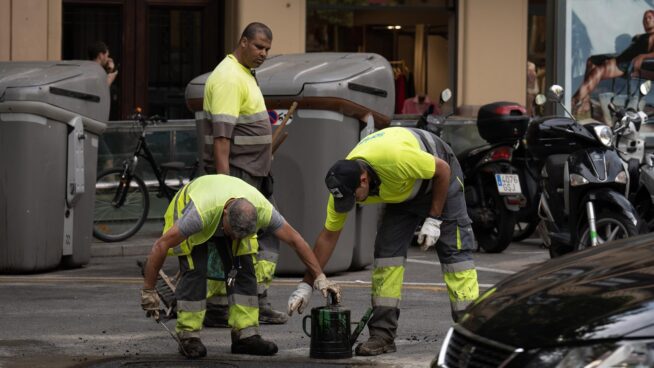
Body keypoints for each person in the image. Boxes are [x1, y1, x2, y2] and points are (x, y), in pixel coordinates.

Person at [287, 127, 479, 356]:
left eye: (354, 196)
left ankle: (473, 335)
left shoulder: (396, 159)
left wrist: (434, 219)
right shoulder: (343, 185)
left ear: (364, 179)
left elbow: (443, 170)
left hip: (439, 178)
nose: (353, 202)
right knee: (387, 256)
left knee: (456, 258)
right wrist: (307, 284)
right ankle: (382, 336)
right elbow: (328, 237)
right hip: (403, 189)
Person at [140, 174, 341, 358]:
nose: (234, 239)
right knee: (196, 272)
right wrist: (149, 290)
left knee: (241, 271)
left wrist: (319, 277)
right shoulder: (198, 216)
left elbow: (296, 240)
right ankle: (188, 336)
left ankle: (245, 336)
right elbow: (161, 245)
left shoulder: (262, 210)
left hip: (225, 215)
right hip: (194, 215)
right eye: (232, 232)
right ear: (226, 214)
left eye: (238, 235)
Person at [199, 22, 287, 326]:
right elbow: (222, 138)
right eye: (259, 46)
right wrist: (228, 191)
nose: (263, 53)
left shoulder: (244, 74)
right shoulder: (228, 77)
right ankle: (227, 306)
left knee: (259, 237)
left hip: (255, 173)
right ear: (243, 42)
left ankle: (249, 301)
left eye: (267, 49)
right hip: (239, 175)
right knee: (244, 240)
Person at [572, 9, 654, 116]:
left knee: (598, 71)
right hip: (620, 57)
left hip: (625, 63)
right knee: (591, 61)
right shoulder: (641, 36)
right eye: (644, 18)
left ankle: (574, 101)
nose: (646, 20)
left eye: (649, 18)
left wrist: (642, 56)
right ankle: (586, 100)